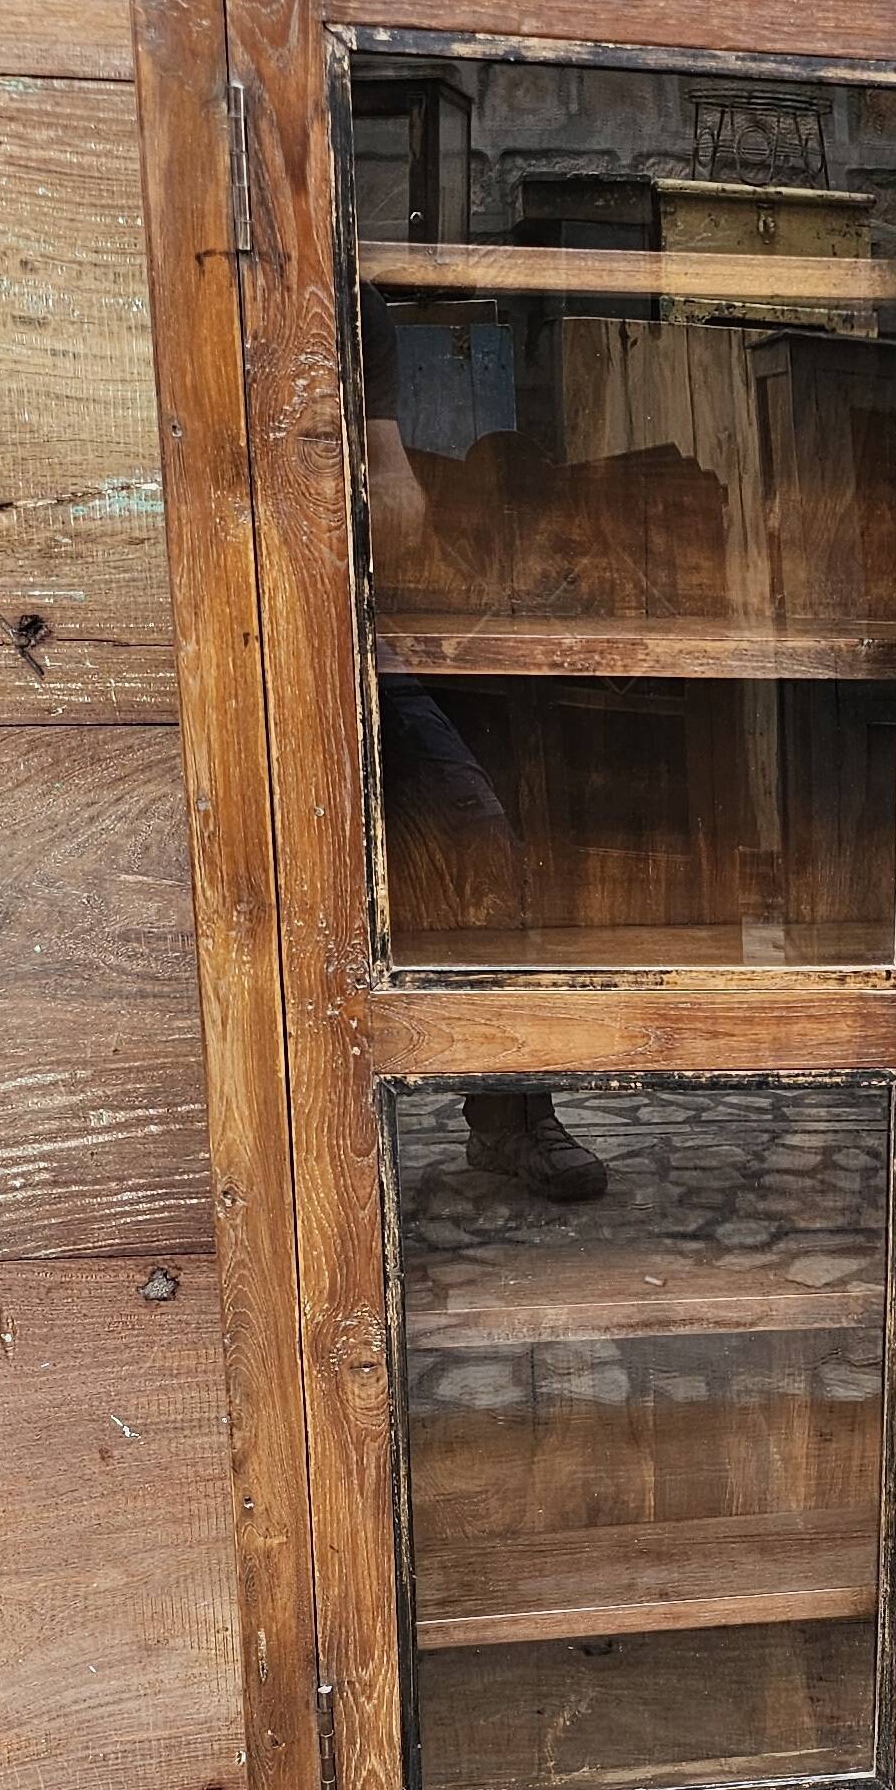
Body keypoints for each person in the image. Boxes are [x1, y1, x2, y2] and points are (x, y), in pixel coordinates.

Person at [362, 284, 607, 1204]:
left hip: (355, 645)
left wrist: (355, 487)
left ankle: (511, 1117)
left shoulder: (356, 309)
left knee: (478, 836)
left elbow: (399, 505)